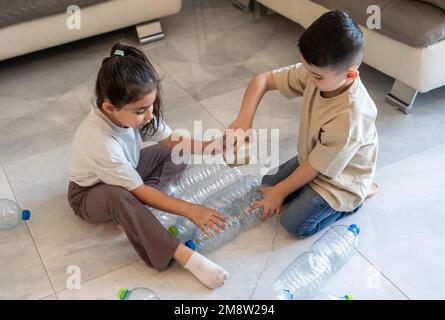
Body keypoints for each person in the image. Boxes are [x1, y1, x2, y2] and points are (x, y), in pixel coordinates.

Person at [67, 42, 228, 289]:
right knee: (120, 196)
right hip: (89, 194)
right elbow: (138, 190)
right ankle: (183, 256)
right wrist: (191, 210)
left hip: (125, 173)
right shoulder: (100, 141)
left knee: (176, 152)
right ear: (109, 108)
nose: (150, 115)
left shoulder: (131, 110)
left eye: (151, 105)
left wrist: (213, 146)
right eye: (142, 110)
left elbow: (173, 139)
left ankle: (135, 213)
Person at [226, 10, 379, 238]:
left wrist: (280, 192)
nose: (308, 79)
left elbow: (316, 167)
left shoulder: (350, 116)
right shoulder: (316, 74)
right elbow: (263, 80)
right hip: (314, 158)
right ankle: (301, 191)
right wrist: (244, 119)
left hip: (340, 180)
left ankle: (358, 196)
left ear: (349, 76)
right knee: (267, 184)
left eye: (316, 76)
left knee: (293, 223)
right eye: (306, 69)